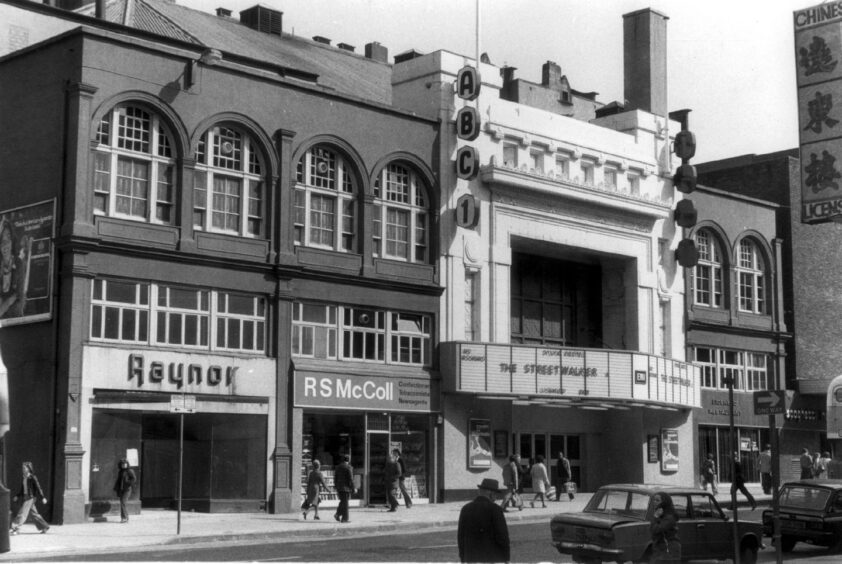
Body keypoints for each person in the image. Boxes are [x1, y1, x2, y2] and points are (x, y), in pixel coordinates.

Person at [457, 478, 511, 563]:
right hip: (491, 557)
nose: (496, 498)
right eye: (496, 495)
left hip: (470, 558)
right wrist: (506, 558)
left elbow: (460, 536)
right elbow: (502, 537)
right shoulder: (495, 509)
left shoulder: (466, 508)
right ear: (490, 493)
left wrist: (462, 557)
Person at [10, 461, 49, 534]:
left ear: (28, 468)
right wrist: (17, 496)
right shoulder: (24, 478)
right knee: (34, 514)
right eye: (22, 468)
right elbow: (22, 489)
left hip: (30, 498)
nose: (23, 469)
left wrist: (42, 497)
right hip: (25, 497)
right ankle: (44, 526)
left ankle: (15, 528)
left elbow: (38, 488)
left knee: (22, 512)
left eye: (24, 468)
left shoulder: (32, 477)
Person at [649, 491, 681, 562]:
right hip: (660, 548)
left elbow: (656, 530)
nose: (654, 502)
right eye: (654, 500)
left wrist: (656, 517)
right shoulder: (660, 515)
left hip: (669, 548)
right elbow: (652, 530)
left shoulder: (669, 517)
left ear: (664, 502)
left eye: (657, 500)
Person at [113, 458, 137, 523]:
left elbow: (134, 479)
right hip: (121, 489)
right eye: (122, 464)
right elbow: (119, 480)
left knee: (123, 503)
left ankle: (125, 518)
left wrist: (128, 482)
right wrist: (116, 487)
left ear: (127, 464)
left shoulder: (130, 471)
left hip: (127, 490)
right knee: (122, 503)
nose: (124, 465)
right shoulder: (120, 471)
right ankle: (123, 518)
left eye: (125, 464)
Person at [333, 454, 355, 523]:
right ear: (349, 460)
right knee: (345, 503)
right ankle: (344, 519)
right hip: (346, 488)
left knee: (343, 502)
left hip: (339, 487)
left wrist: (336, 486)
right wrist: (353, 488)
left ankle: (338, 514)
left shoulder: (338, 467)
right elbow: (351, 479)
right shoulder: (349, 467)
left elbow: (335, 477)